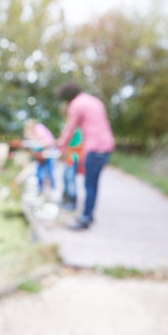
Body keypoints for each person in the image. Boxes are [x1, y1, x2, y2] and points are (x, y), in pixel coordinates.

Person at [56, 81, 115, 230]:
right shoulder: (94, 101)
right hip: (106, 145)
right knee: (93, 184)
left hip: (94, 147)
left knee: (89, 184)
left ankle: (85, 218)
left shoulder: (76, 105)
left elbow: (70, 129)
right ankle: (88, 215)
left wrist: (60, 147)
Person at [23, 119, 56, 195]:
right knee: (39, 173)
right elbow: (32, 147)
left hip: (48, 150)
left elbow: (45, 142)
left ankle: (52, 191)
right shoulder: (31, 132)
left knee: (49, 172)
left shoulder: (38, 128)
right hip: (40, 152)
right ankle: (40, 191)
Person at [61, 128, 82, 211]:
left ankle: (72, 203)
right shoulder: (71, 128)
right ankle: (66, 200)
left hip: (73, 159)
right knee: (65, 178)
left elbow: (77, 145)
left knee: (71, 180)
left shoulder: (75, 130)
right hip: (68, 158)